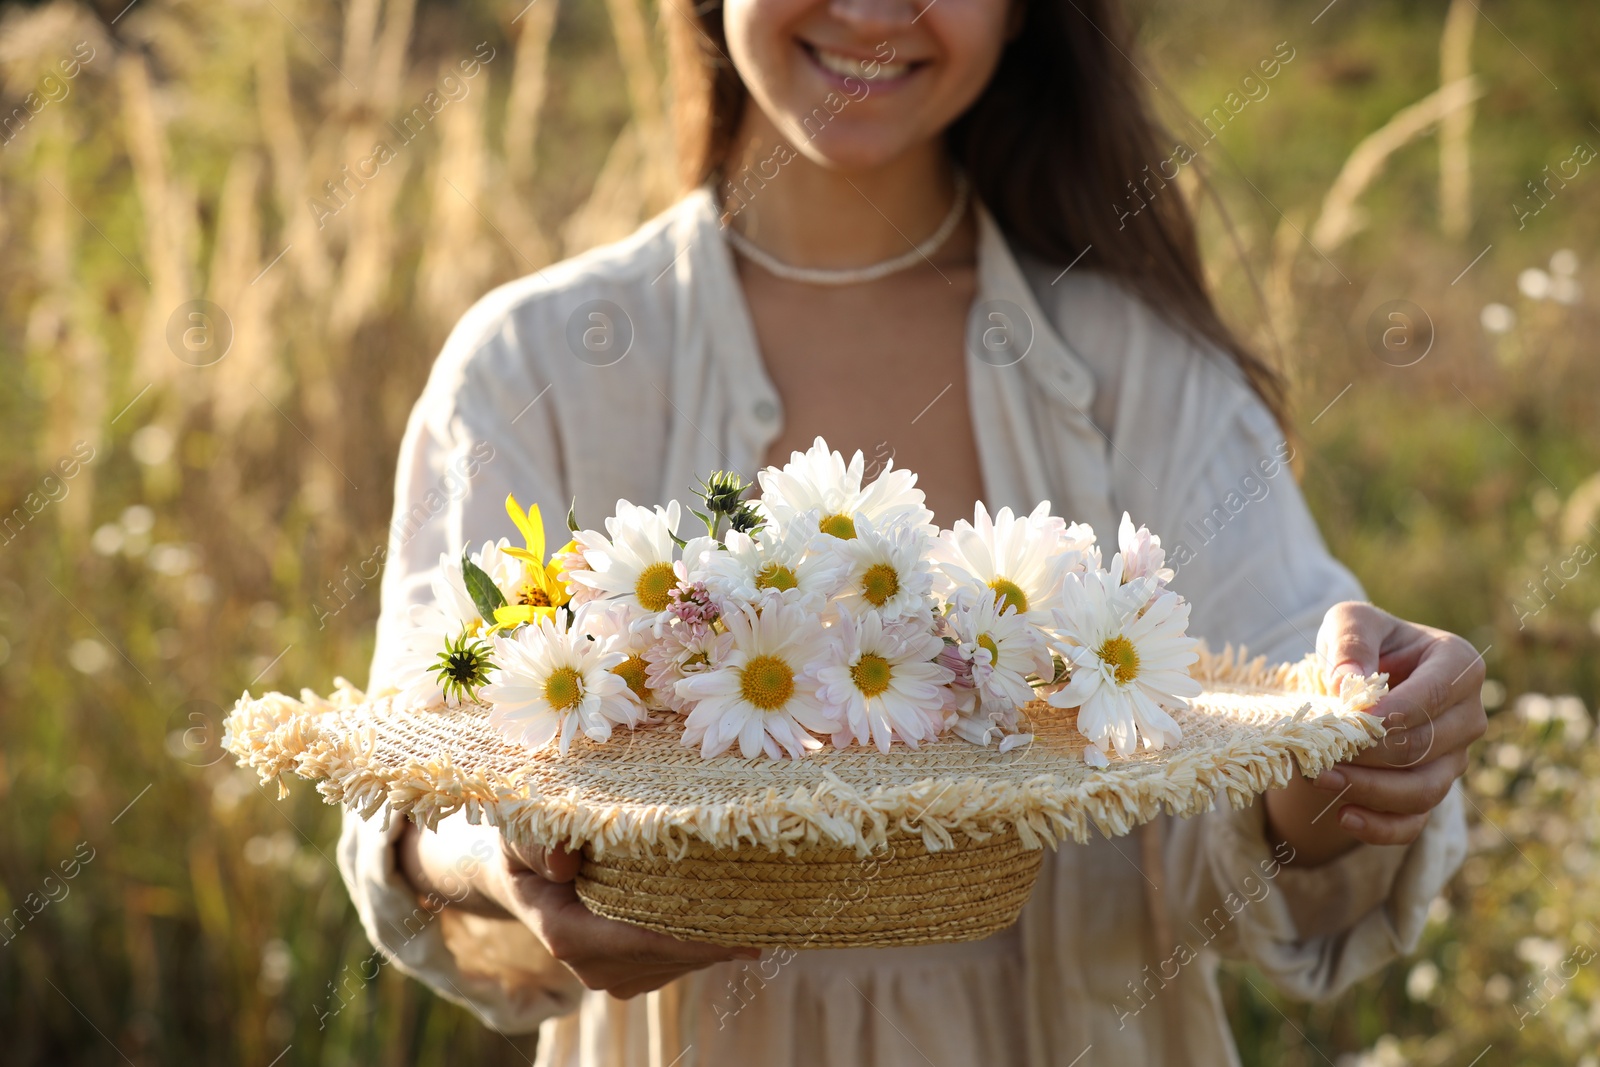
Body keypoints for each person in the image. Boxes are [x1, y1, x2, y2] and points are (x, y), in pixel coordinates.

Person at [338, 0, 1482, 1062]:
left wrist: (1368, 738)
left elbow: (1267, 744)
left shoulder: (1143, 372)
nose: (878, 11)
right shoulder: (538, 364)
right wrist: (509, 862)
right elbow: (421, 775)